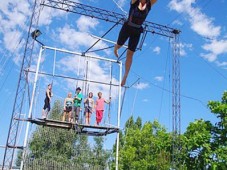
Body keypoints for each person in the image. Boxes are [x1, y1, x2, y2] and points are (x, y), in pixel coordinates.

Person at [114, 0, 158, 86]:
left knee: (130, 54)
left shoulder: (149, 4)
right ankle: (115, 48)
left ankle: (125, 76)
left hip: (137, 31)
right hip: (127, 27)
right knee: (119, 45)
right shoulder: (134, 2)